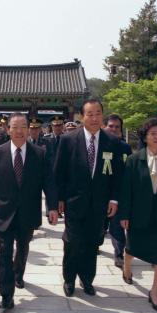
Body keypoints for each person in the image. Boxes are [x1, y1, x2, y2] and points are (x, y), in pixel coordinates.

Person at [0, 113, 58, 309]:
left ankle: (19, 273)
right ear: (8, 129)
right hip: (3, 212)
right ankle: (6, 296)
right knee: (4, 253)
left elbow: (49, 182)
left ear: (29, 129)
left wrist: (52, 207)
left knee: (22, 248)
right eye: (14, 127)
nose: (19, 131)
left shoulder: (39, 153)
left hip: (28, 212)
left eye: (23, 127)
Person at [54, 99, 123, 298]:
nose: (94, 118)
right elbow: (59, 172)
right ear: (82, 116)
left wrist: (114, 199)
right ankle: (69, 278)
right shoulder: (68, 140)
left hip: (100, 203)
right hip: (74, 202)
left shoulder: (113, 142)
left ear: (102, 115)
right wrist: (59, 199)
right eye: (90, 114)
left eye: (98, 113)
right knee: (73, 241)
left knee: (92, 242)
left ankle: (87, 279)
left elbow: (118, 175)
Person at [119, 118, 157, 313]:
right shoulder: (134, 160)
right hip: (139, 213)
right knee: (132, 247)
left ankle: (154, 292)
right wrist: (124, 214)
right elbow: (126, 190)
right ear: (145, 137)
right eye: (153, 134)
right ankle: (127, 268)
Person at [103, 114, 133, 268]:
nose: (114, 129)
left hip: (119, 193)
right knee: (99, 226)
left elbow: (129, 171)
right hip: (100, 193)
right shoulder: (99, 144)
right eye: (111, 126)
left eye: (117, 127)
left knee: (117, 226)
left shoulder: (125, 148)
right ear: (104, 127)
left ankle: (119, 253)